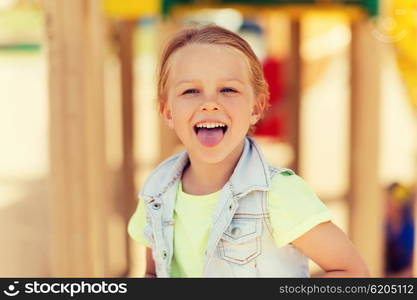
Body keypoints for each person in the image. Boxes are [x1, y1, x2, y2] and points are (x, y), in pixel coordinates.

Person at [128, 24, 369, 278]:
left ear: (256, 107)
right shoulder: (156, 191)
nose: (209, 104)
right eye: (191, 91)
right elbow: (153, 274)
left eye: (228, 90)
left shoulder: (279, 194)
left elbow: (353, 272)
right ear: (167, 111)